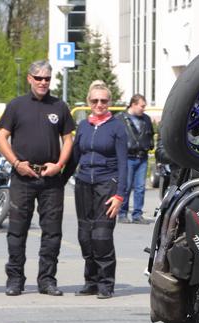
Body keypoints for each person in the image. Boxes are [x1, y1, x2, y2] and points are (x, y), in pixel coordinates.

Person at [0, 60, 75, 297]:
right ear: (29, 78)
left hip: (50, 179)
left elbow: (68, 140)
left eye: (47, 79)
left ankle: (47, 280)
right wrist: (16, 163)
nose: (43, 82)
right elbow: (1, 138)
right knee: (17, 231)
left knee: (52, 232)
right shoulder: (17, 105)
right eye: (38, 78)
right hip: (23, 177)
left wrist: (59, 165)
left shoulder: (59, 106)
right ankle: (15, 279)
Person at [70, 81, 128, 299]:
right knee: (85, 235)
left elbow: (123, 163)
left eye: (103, 100)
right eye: (95, 100)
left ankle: (106, 284)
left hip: (107, 184)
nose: (99, 104)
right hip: (83, 184)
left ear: (109, 102)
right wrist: (57, 180)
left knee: (101, 236)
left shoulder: (117, 127)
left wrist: (120, 195)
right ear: (88, 102)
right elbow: (74, 157)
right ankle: (91, 281)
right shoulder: (83, 126)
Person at [117, 93, 154, 224]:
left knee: (140, 187)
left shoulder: (146, 119)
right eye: (142, 106)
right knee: (126, 186)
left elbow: (150, 134)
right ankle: (122, 213)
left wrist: (150, 145)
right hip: (127, 157)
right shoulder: (120, 118)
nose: (144, 109)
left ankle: (137, 214)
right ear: (133, 104)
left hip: (142, 157)